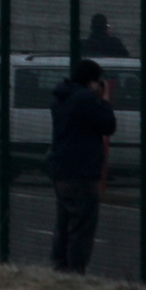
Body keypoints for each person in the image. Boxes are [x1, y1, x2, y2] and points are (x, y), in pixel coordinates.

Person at [48, 58, 117, 274]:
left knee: (64, 223)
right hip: (83, 171)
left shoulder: (61, 97)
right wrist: (105, 99)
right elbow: (108, 125)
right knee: (82, 226)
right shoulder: (85, 99)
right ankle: (76, 270)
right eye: (99, 82)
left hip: (61, 170)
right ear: (91, 82)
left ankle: (59, 266)